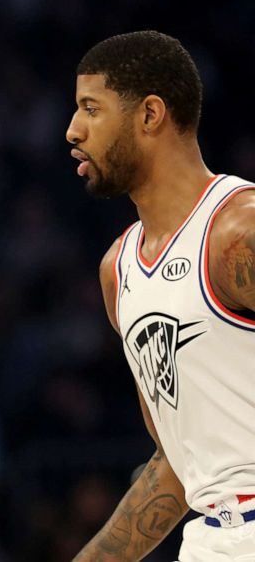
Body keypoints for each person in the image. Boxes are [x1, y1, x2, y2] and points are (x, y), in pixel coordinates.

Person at [67, 30, 255, 561]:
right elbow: (176, 461)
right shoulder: (117, 271)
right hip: (207, 540)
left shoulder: (238, 233)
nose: (72, 130)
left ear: (150, 115)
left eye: (90, 109)